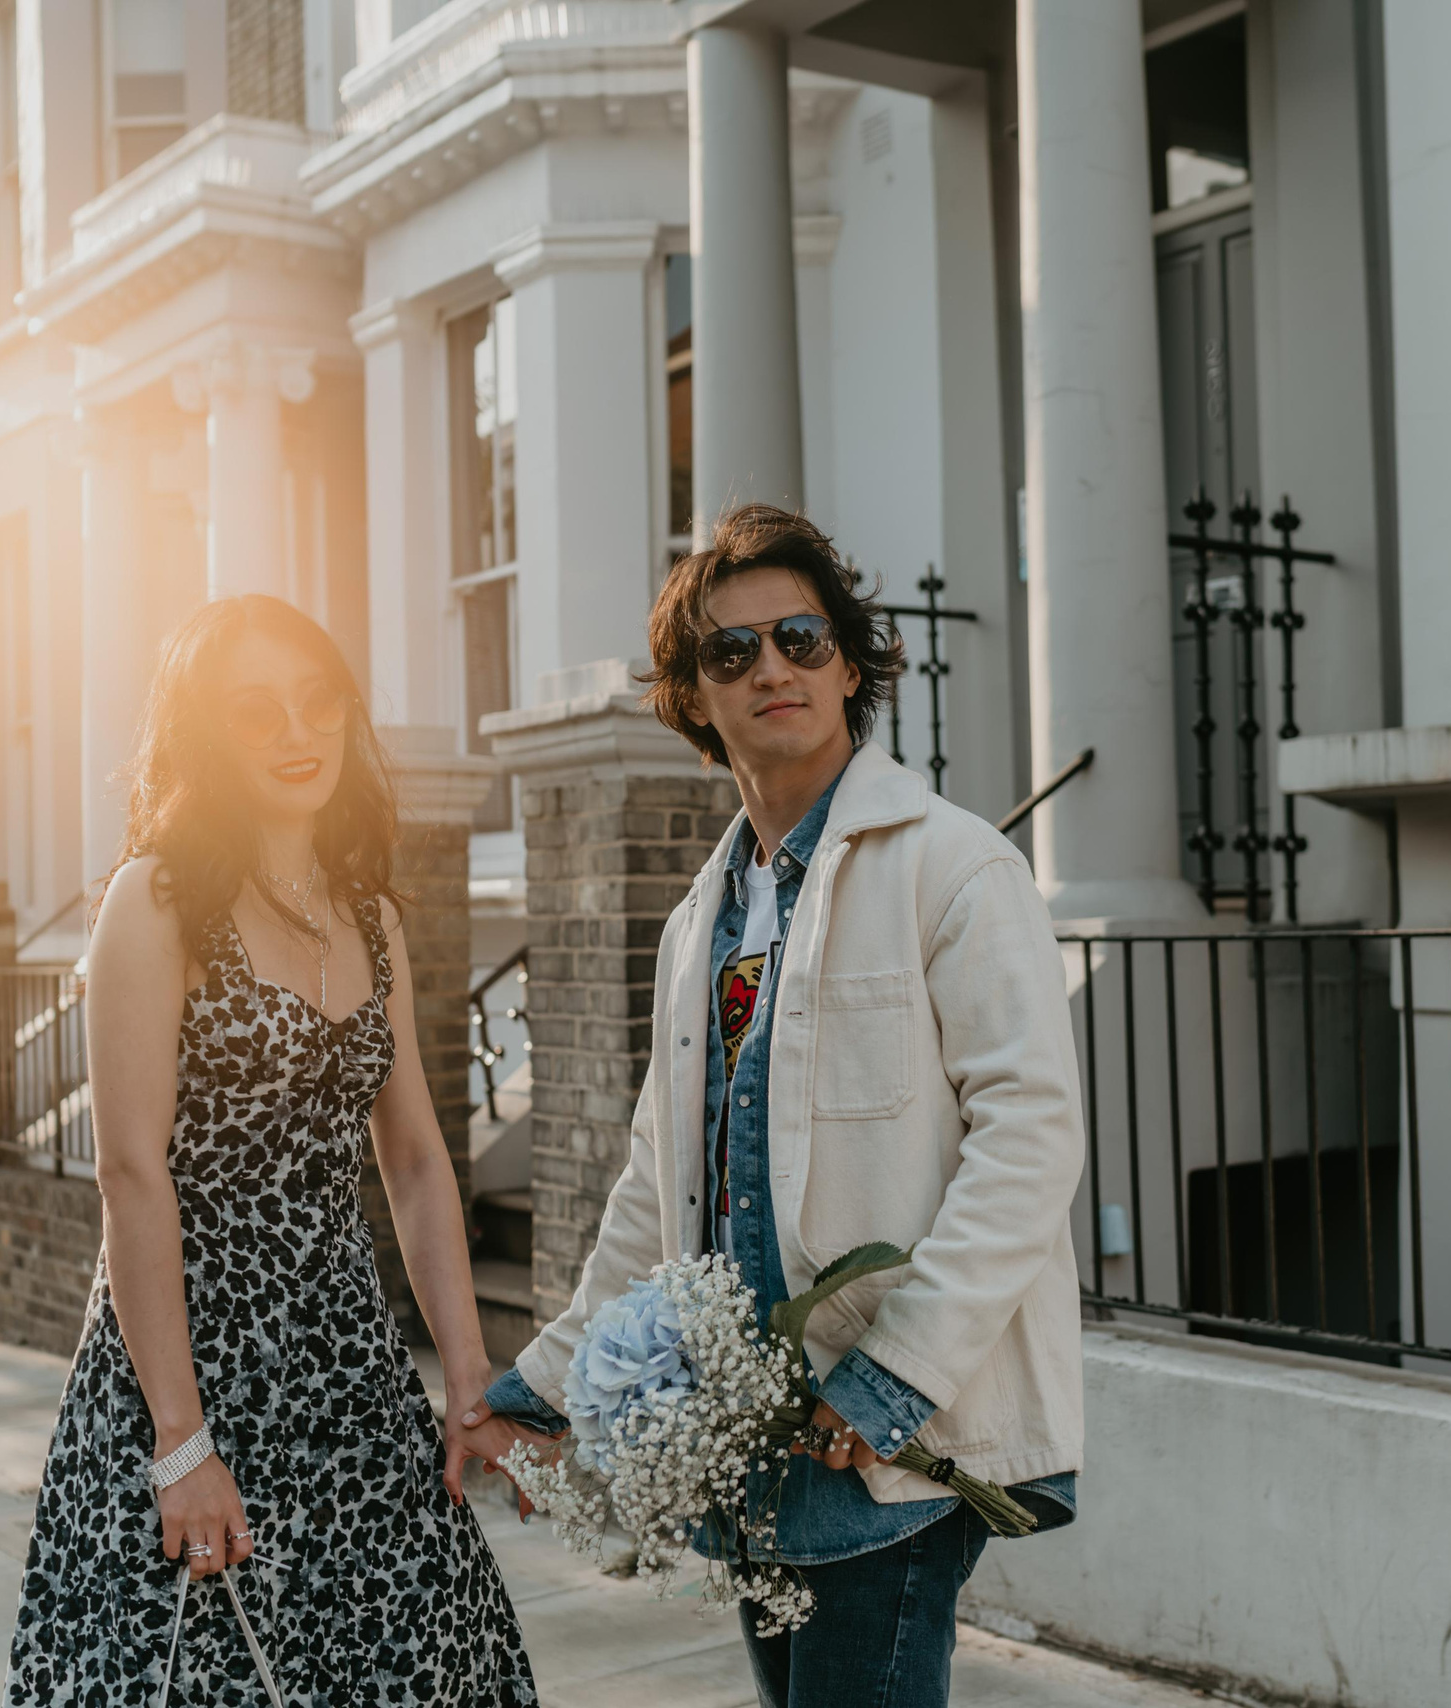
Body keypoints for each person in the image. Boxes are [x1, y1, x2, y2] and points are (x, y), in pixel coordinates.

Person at [463, 505, 1088, 1708]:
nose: (772, 669)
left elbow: (1031, 1140)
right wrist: (542, 1385)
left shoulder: (954, 867)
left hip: (885, 1444)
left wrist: (895, 1376)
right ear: (695, 697)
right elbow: (660, 1183)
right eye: (730, 652)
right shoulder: (703, 919)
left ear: (850, 662)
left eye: (800, 638)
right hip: (749, 1446)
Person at [4, 595, 536, 1705]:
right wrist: (180, 1444)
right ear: (206, 733)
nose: (297, 734)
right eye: (255, 713)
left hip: (347, 1360)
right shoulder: (156, 902)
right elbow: (130, 1173)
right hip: (193, 1359)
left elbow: (417, 1164)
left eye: (315, 702)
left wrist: (470, 1378)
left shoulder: (369, 912)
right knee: (204, 1674)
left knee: (411, 1657)